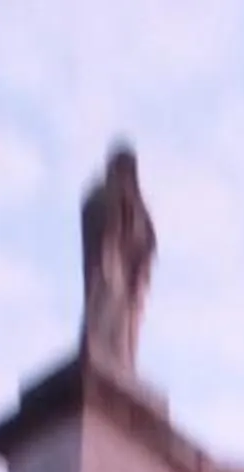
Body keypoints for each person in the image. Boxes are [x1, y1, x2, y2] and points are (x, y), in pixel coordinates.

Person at [81, 145, 157, 380]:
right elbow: (95, 217)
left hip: (131, 273)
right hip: (110, 260)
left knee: (126, 320)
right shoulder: (103, 194)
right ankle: (99, 352)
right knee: (106, 299)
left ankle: (119, 360)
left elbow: (149, 240)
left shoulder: (139, 207)